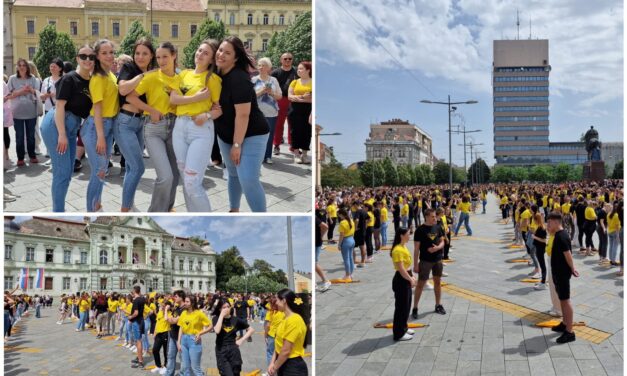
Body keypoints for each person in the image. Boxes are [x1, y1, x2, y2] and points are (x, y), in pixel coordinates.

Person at [214, 36, 270, 212]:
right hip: (225, 133)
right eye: (220, 50)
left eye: (227, 52)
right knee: (232, 174)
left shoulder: (239, 78)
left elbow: (243, 114)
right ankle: (234, 209)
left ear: (236, 58)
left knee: (248, 178)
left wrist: (237, 144)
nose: (221, 54)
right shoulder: (215, 74)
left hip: (252, 133)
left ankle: (260, 215)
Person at [170, 39, 223, 212]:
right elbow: (174, 99)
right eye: (199, 50)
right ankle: (192, 212)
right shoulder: (184, 74)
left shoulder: (213, 79)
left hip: (200, 129)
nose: (200, 54)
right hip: (179, 127)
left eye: (206, 53)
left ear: (212, 60)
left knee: (192, 181)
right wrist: (196, 99)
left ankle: (208, 219)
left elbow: (219, 109)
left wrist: (206, 115)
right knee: (185, 178)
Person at [40, 46, 94, 212]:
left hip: (72, 125)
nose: (87, 59)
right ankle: (58, 211)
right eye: (83, 56)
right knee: (62, 173)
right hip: (57, 124)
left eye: (91, 57)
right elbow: (60, 106)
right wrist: (62, 134)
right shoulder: (70, 78)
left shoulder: (93, 81)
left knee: (68, 170)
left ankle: (58, 207)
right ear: (77, 58)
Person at [114, 37, 156, 212]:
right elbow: (123, 90)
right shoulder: (129, 68)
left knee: (132, 167)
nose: (140, 57)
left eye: (144, 53)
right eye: (137, 53)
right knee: (138, 168)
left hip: (140, 123)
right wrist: (142, 76)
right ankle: (124, 210)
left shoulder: (154, 72)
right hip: (125, 121)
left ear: (151, 55)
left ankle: (128, 202)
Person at [81, 39, 119, 211]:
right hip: (96, 127)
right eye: (104, 53)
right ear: (97, 56)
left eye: (111, 52)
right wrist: (101, 137)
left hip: (108, 124)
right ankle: (91, 210)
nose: (109, 56)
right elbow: (97, 108)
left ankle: (96, 204)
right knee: (99, 170)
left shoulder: (110, 75)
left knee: (102, 169)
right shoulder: (97, 77)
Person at [547, 212, 579, 344]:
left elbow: (568, 255)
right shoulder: (558, 235)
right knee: (562, 299)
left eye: (549, 223)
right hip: (558, 272)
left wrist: (573, 268)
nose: (547, 225)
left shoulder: (562, 237)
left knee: (566, 300)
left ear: (556, 222)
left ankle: (570, 332)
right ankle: (565, 323)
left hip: (562, 273)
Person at [412, 208, 447, 319]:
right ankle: (415, 307)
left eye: (435, 216)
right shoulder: (420, 230)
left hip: (437, 260)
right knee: (420, 285)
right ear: (426, 216)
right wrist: (415, 264)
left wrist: (437, 248)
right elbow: (416, 249)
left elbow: (442, 241)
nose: (435, 218)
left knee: (437, 282)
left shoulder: (438, 227)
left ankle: (438, 304)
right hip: (425, 261)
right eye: (432, 216)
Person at [7, 58, 41, 166]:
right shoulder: (12, 79)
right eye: (19, 65)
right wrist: (21, 91)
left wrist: (31, 90)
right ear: (17, 67)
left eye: (24, 65)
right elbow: (8, 96)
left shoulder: (33, 79)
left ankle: (32, 155)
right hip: (17, 112)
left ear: (27, 67)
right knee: (19, 137)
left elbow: (38, 94)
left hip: (31, 112)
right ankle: (20, 158)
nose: (22, 67)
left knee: (31, 136)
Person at [268, 289, 309, 376]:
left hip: (293, 367)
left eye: (277, 300)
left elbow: (286, 350)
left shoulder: (294, 320)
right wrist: (272, 363)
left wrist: (274, 368)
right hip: (283, 363)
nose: (275, 303)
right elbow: (278, 345)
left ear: (284, 300)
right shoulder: (285, 318)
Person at [212, 297, 254, 376]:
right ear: (219, 309)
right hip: (221, 350)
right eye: (224, 307)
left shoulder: (235, 319)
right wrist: (221, 315)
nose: (226, 309)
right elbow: (217, 330)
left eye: (228, 307)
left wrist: (241, 340)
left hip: (233, 350)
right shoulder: (216, 318)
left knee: (236, 373)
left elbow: (251, 330)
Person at [252, 57, 282, 164]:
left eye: (263, 65)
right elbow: (249, 96)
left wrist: (271, 93)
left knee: (269, 135)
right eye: (259, 65)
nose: (261, 67)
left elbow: (279, 96)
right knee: (256, 135)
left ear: (269, 68)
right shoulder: (254, 80)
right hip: (257, 113)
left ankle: (268, 156)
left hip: (271, 113)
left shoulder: (273, 80)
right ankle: (257, 156)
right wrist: (262, 91)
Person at [390, 227, 416, 341]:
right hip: (401, 279)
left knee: (407, 305)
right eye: (408, 234)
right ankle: (398, 333)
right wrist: (410, 279)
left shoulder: (403, 246)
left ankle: (404, 327)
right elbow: (401, 269)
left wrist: (411, 276)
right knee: (401, 307)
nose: (409, 236)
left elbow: (406, 266)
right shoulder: (397, 250)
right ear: (401, 235)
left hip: (406, 276)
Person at [177, 296, 212, 376]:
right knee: (185, 367)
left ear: (192, 303)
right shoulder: (183, 313)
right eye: (185, 301)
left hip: (194, 340)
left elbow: (210, 326)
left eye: (187, 301)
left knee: (195, 368)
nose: (185, 303)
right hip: (183, 340)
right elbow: (181, 327)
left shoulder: (199, 313)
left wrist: (200, 333)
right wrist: (178, 342)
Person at [271, 53, 296, 155]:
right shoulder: (275, 72)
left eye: (290, 59)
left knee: (292, 124)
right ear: (281, 60)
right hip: (279, 100)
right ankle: (276, 145)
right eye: (285, 59)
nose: (287, 60)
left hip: (293, 100)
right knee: (278, 124)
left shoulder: (296, 72)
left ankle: (292, 146)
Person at [287, 61, 312, 164]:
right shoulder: (295, 82)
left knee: (307, 132)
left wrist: (298, 98)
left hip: (308, 110)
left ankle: (305, 155)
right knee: (295, 131)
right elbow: (289, 97)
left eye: (301, 68)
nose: (298, 70)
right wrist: (302, 97)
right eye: (298, 68)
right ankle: (296, 154)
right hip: (294, 110)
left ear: (308, 70)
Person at [164, 290, 185, 376]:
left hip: (180, 337)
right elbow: (170, 319)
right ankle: (169, 374)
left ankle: (182, 374)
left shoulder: (184, 310)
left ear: (181, 297)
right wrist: (170, 319)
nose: (174, 298)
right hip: (173, 335)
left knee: (182, 358)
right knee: (170, 356)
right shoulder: (176, 308)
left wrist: (166, 311)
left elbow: (172, 320)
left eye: (176, 296)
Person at [128, 286, 146, 369]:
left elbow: (136, 313)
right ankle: (139, 357)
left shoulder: (136, 301)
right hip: (141, 321)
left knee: (138, 341)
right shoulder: (142, 299)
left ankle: (140, 361)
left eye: (132, 291)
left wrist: (130, 317)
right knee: (138, 341)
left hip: (137, 322)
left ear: (135, 291)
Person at [337, 208, 356, 281]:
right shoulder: (351, 220)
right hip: (352, 239)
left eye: (339, 215)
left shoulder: (342, 223)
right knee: (351, 258)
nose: (338, 216)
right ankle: (351, 274)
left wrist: (339, 244)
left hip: (346, 241)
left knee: (346, 259)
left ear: (342, 214)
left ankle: (347, 275)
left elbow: (341, 235)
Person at [532, 213, 548, 290]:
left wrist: (534, 237)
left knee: (542, 265)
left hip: (540, 248)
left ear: (536, 220)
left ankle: (543, 283)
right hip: (539, 248)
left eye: (534, 220)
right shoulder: (540, 227)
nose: (533, 222)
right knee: (542, 265)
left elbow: (544, 240)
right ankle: (542, 281)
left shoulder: (542, 228)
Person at [315, 216, 332, 292]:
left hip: (316, 244)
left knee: (314, 263)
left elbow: (325, 226)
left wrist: (320, 236)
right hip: (315, 243)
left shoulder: (315, 217)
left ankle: (326, 280)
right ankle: (316, 283)